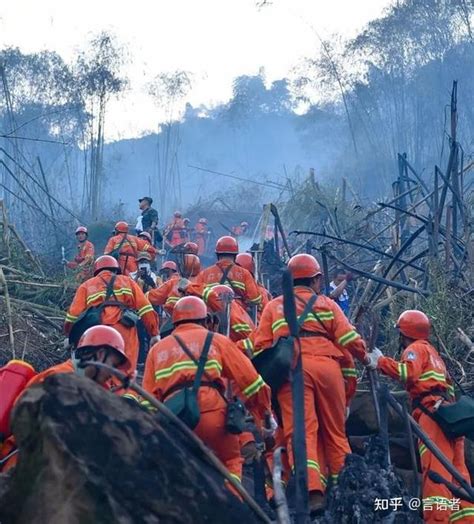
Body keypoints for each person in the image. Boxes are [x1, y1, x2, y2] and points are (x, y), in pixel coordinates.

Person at [252, 254, 370, 514]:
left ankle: (313, 492)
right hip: (329, 368)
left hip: (293, 370)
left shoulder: (274, 306)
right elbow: (349, 339)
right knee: (335, 432)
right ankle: (345, 489)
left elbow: (260, 347)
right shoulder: (328, 304)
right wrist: (367, 357)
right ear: (317, 279)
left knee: (301, 432)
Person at [142, 296, 275, 485]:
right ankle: (231, 507)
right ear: (205, 320)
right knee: (231, 463)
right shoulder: (217, 341)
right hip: (213, 416)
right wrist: (265, 417)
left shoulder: (157, 350)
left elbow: (148, 400)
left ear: (175, 322)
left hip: (175, 420)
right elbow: (252, 383)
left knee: (181, 474)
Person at [367, 310, 474, 524]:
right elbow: (449, 389)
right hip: (450, 418)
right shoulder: (435, 355)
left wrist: (380, 362)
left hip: (432, 417)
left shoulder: (415, 349)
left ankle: (437, 519)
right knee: (459, 475)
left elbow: (408, 373)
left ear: (403, 333)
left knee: (435, 472)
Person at [0, 326, 132, 473]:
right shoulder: (58, 379)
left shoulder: (95, 386)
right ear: (100, 355)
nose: (112, 373)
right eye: (112, 365)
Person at [64, 255, 159, 372]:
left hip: (97, 330)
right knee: (125, 374)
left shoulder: (86, 286)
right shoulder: (127, 282)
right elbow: (146, 308)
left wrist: (70, 337)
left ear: (96, 271)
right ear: (116, 270)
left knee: (99, 374)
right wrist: (154, 333)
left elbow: (73, 315)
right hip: (125, 328)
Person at [195, 236, 262, 310]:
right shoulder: (244, 273)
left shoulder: (204, 274)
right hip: (237, 314)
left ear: (217, 254)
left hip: (212, 316)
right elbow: (255, 299)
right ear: (235, 255)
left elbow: (197, 296)